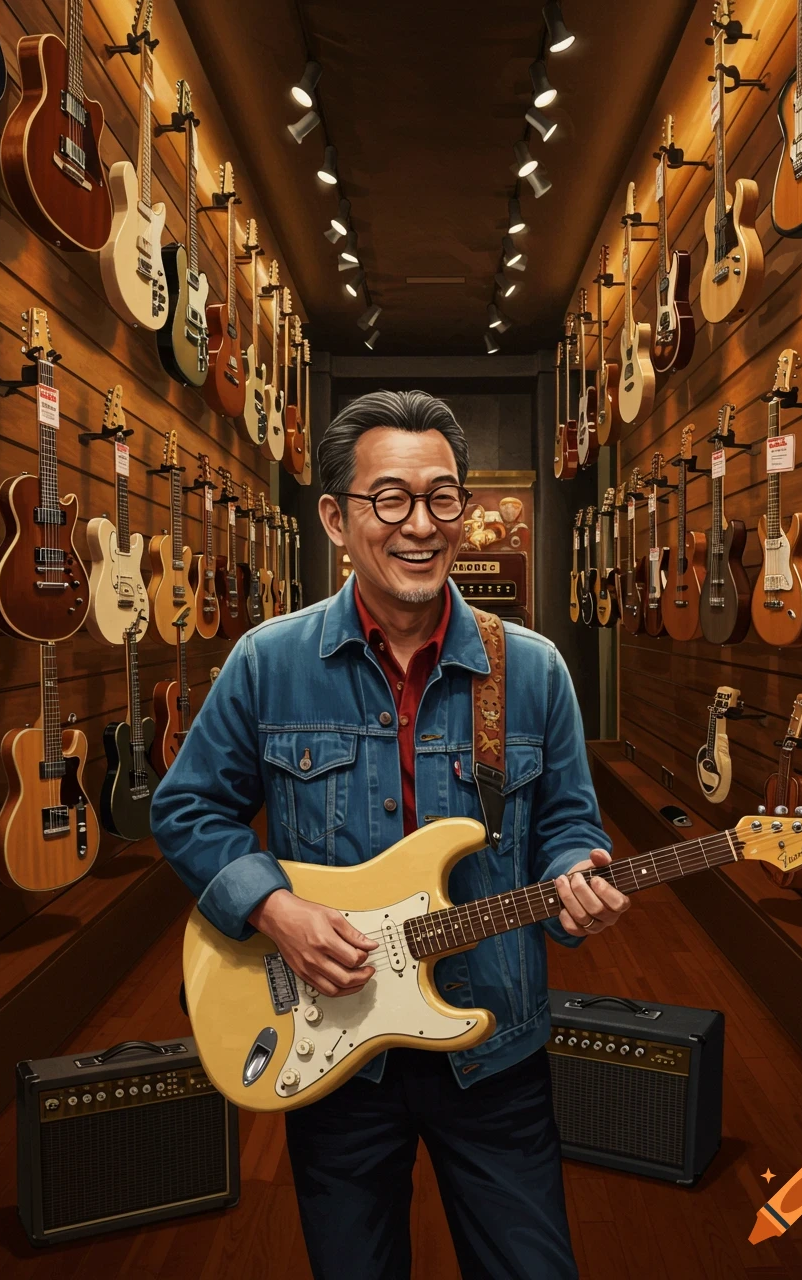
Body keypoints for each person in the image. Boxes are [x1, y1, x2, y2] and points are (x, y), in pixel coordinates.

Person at [151, 390, 631, 1280]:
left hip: (495, 1051)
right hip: (335, 1054)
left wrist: (576, 880)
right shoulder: (268, 661)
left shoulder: (531, 669)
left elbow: (569, 824)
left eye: (444, 497)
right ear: (337, 517)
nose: (422, 524)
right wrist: (276, 910)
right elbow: (186, 809)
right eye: (391, 498)